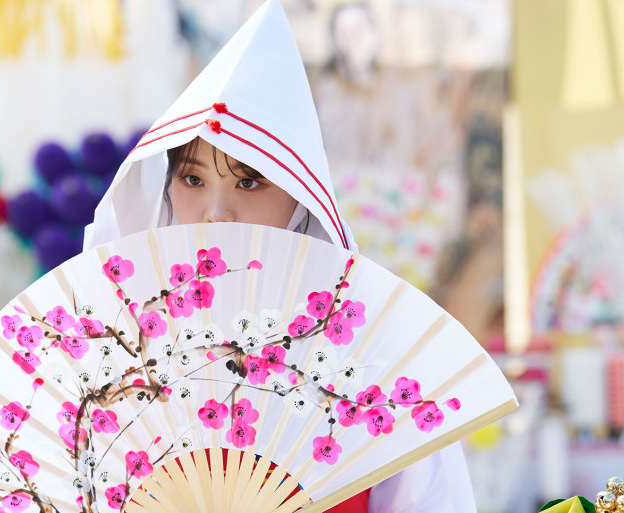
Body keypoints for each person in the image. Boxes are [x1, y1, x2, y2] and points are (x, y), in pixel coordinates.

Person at [84, 1, 477, 511]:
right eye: (192, 179)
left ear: (302, 199)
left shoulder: (377, 356)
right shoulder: (109, 348)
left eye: (249, 183)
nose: (215, 214)